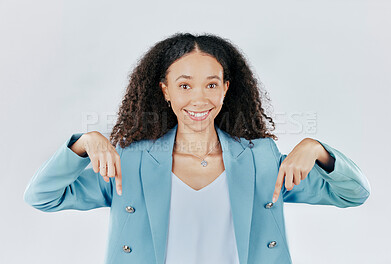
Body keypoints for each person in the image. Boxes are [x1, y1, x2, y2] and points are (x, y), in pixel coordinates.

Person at [23, 32, 371, 264]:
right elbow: (42, 197)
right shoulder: (130, 163)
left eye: (211, 84)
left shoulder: (261, 161)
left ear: (225, 89)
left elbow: (354, 194)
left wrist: (317, 150)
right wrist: (82, 145)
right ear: (165, 90)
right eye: (185, 85)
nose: (199, 98)